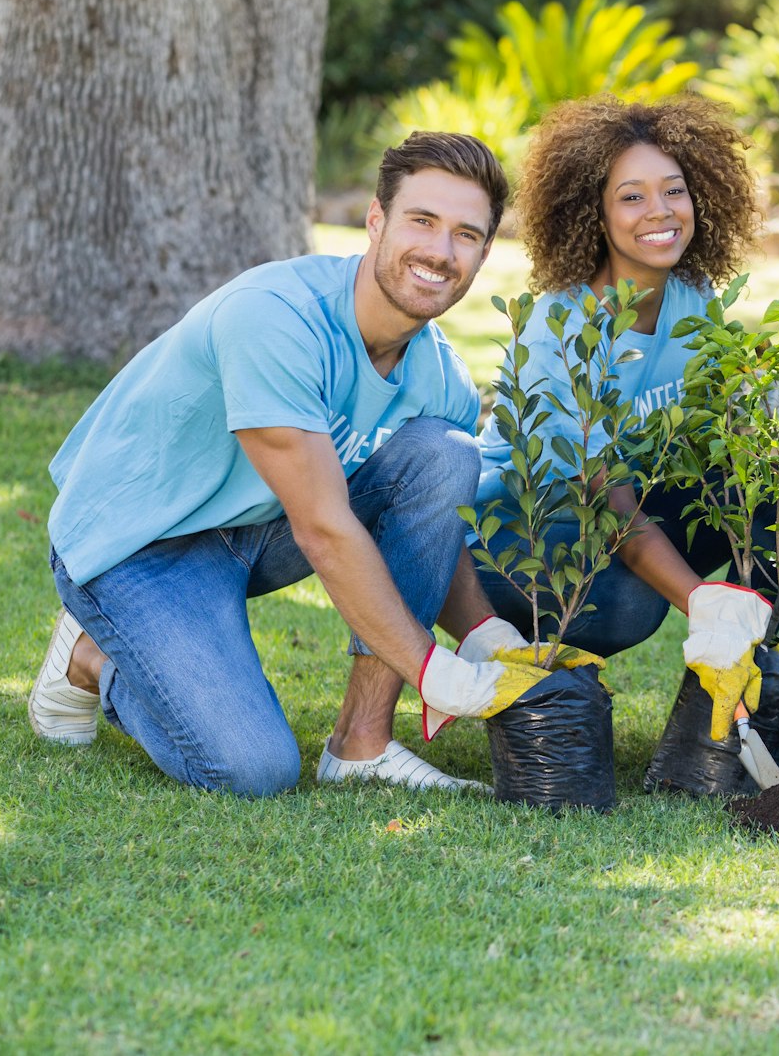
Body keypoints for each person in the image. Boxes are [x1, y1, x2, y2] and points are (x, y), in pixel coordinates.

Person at [30, 133, 560, 797]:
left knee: (443, 454)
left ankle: (362, 745)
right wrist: (433, 671)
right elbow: (324, 531)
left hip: (256, 523)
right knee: (254, 768)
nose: (440, 250)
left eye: (466, 234)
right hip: (137, 543)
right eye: (421, 221)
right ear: (376, 220)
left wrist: (485, 635)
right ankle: (92, 656)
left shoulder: (440, 376)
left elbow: (430, 519)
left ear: (485, 253)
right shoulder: (278, 319)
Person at [464, 96, 779, 739]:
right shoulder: (559, 328)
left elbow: (726, 448)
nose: (659, 211)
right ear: (590, 211)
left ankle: (732, 713)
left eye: (674, 190)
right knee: (631, 604)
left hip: (631, 516)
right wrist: (699, 602)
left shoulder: (690, 298)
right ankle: (694, 644)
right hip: (524, 541)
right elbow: (605, 495)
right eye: (631, 197)